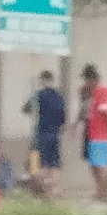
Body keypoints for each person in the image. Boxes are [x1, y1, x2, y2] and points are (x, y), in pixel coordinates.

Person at [81, 62, 107, 204]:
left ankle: (104, 194)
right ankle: (101, 192)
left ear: (93, 80)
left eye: (87, 80)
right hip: (95, 134)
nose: (86, 83)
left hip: (99, 135)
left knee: (102, 166)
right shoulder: (100, 92)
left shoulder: (101, 92)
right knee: (98, 164)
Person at [29, 68, 69, 197]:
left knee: (42, 162)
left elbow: (26, 108)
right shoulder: (59, 97)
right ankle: (55, 188)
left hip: (42, 132)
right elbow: (63, 118)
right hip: (55, 133)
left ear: (42, 80)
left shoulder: (39, 95)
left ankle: (44, 188)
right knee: (55, 162)